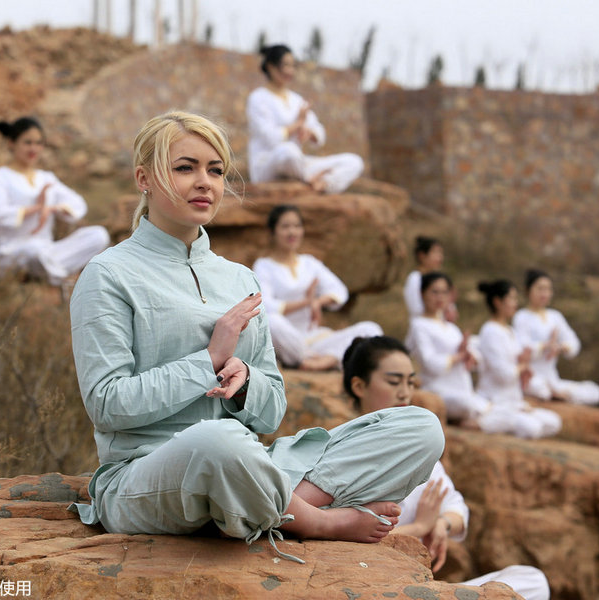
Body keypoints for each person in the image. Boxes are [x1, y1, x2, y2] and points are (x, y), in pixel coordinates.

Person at [68, 111, 445, 563]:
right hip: (146, 476)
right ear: (143, 178)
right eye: (185, 167)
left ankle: (262, 505)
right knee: (217, 443)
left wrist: (246, 380)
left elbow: (271, 414)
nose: (205, 182)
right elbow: (107, 404)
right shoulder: (108, 274)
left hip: (247, 461)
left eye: (216, 170)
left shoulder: (239, 278)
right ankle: (313, 519)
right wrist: (208, 360)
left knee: (420, 427)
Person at [342, 335, 551, 600]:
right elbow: (344, 539)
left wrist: (442, 524)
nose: (404, 392)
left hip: (420, 589)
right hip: (370, 587)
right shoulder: (343, 454)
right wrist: (418, 528)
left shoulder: (417, 450)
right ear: (359, 386)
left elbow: (456, 507)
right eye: (394, 382)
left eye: (410, 382)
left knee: (532, 580)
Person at [252, 204, 383, 371]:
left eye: (297, 226)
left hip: (315, 338)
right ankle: (314, 358)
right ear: (273, 232)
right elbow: (265, 305)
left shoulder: (309, 263)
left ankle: (326, 359)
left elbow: (339, 291)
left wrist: (318, 302)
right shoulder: (264, 266)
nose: (292, 232)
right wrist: (306, 302)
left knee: (371, 329)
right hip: (286, 339)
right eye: (285, 227)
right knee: (271, 321)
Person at [0, 117, 109, 287]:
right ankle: (61, 277)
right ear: (11, 143)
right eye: (27, 143)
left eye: (38, 143)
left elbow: (78, 204)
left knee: (99, 235)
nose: (34, 148)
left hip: (47, 250)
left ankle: (51, 271)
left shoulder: (46, 178)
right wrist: (36, 208)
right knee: (33, 251)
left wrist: (51, 208)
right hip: (13, 250)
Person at [246, 44, 364, 193]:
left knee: (354, 161)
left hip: (297, 164)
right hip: (268, 164)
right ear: (270, 66)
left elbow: (319, 133)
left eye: (293, 66)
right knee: (288, 151)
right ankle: (309, 178)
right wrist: (298, 124)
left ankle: (324, 184)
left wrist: (310, 133)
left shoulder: (296, 100)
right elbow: (270, 137)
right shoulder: (258, 98)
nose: (290, 71)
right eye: (286, 65)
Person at [475, 280, 563, 439]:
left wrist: (525, 365)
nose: (515, 303)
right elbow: (504, 374)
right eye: (512, 298)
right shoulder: (490, 331)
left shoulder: (510, 331)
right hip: (494, 399)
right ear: (497, 302)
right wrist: (522, 366)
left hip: (513, 400)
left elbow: (520, 360)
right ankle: (483, 421)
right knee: (532, 428)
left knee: (554, 422)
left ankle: (506, 421)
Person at [406, 272, 490, 426]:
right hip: (437, 390)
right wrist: (458, 356)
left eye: (444, 292)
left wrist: (469, 356)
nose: (440, 297)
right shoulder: (419, 325)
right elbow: (430, 363)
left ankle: (475, 420)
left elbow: (475, 360)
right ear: (422, 294)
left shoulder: (451, 328)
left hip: (463, 389)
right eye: (434, 292)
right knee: (468, 405)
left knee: (486, 406)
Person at [513, 270, 599, 405]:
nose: (544, 294)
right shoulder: (521, 316)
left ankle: (557, 394)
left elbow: (574, 344)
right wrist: (545, 345)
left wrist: (560, 347)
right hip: (531, 376)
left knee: (596, 392)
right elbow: (522, 348)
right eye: (540, 289)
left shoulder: (555, 316)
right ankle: (552, 394)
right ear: (528, 290)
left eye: (548, 289)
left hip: (552, 377)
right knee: (538, 387)